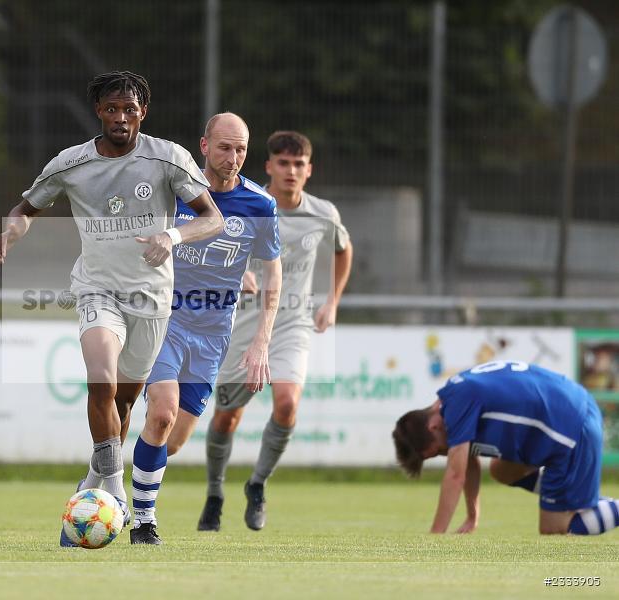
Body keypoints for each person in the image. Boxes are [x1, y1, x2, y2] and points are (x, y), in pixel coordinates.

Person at [0, 71, 223, 547]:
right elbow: (25, 208)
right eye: (112, 109)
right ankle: (116, 492)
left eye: (130, 110)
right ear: (98, 112)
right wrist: (14, 228)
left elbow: (211, 217)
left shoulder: (167, 158)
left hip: (152, 300)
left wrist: (171, 235)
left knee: (120, 405)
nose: (121, 118)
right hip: (97, 290)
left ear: (143, 112)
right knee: (101, 378)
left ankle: (91, 486)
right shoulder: (71, 163)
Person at [127, 113, 282, 545]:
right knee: (162, 411)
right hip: (164, 319)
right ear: (204, 146)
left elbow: (274, 275)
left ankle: (113, 479)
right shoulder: (174, 190)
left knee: (170, 441)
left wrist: (261, 340)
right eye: (225, 147)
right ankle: (143, 521)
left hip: (214, 334)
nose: (233, 158)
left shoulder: (259, 205)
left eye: (241, 150)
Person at [198, 131, 352, 532]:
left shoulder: (324, 213)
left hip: (292, 325)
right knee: (227, 418)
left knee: (286, 404)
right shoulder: (250, 205)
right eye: (283, 163)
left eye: (298, 164)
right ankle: (215, 492)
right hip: (243, 325)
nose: (291, 171)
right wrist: (237, 271)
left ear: (309, 170)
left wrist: (333, 301)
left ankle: (257, 484)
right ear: (269, 167)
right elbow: (206, 245)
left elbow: (343, 249)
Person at [392, 360, 619, 536]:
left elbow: (455, 474)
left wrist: (435, 536)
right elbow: (469, 461)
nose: (448, 453)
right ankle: (571, 493)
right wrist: (472, 516)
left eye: (439, 451)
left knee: (554, 530)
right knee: (502, 470)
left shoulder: (457, 404)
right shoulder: (453, 396)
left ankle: (578, 498)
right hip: (568, 411)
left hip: (572, 428)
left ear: (432, 427)